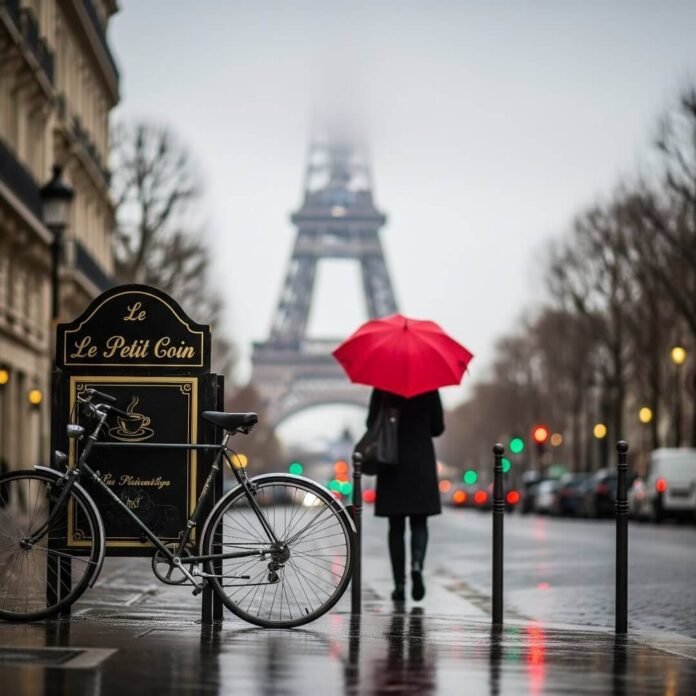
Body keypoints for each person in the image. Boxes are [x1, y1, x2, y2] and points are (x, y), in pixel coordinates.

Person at [366, 388, 444, 601]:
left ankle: (399, 584)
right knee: (420, 523)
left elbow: (371, 424)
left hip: (391, 461)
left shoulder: (383, 387)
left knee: (396, 528)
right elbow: (438, 428)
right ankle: (417, 566)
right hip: (421, 461)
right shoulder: (429, 386)